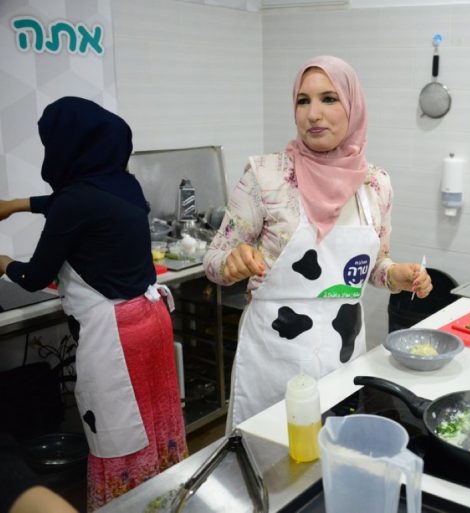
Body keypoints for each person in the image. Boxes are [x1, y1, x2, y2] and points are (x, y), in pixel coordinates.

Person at [204, 55, 433, 429]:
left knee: (333, 452)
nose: (313, 114)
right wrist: (231, 264)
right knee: (270, 454)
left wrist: (396, 276)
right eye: (303, 101)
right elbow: (214, 260)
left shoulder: (375, 184)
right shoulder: (266, 177)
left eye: (329, 99)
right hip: (273, 361)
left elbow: (374, 266)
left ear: (353, 107)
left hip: (342, 354)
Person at [0, 97, 187, 511]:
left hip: (116, 336)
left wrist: (3, 262)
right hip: (151, 320)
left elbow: (33, 278)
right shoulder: (122, 183)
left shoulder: (76, 201)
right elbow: (69, 204)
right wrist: (16, 205)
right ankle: (166, 501)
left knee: (120, 433)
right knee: (154, 424)